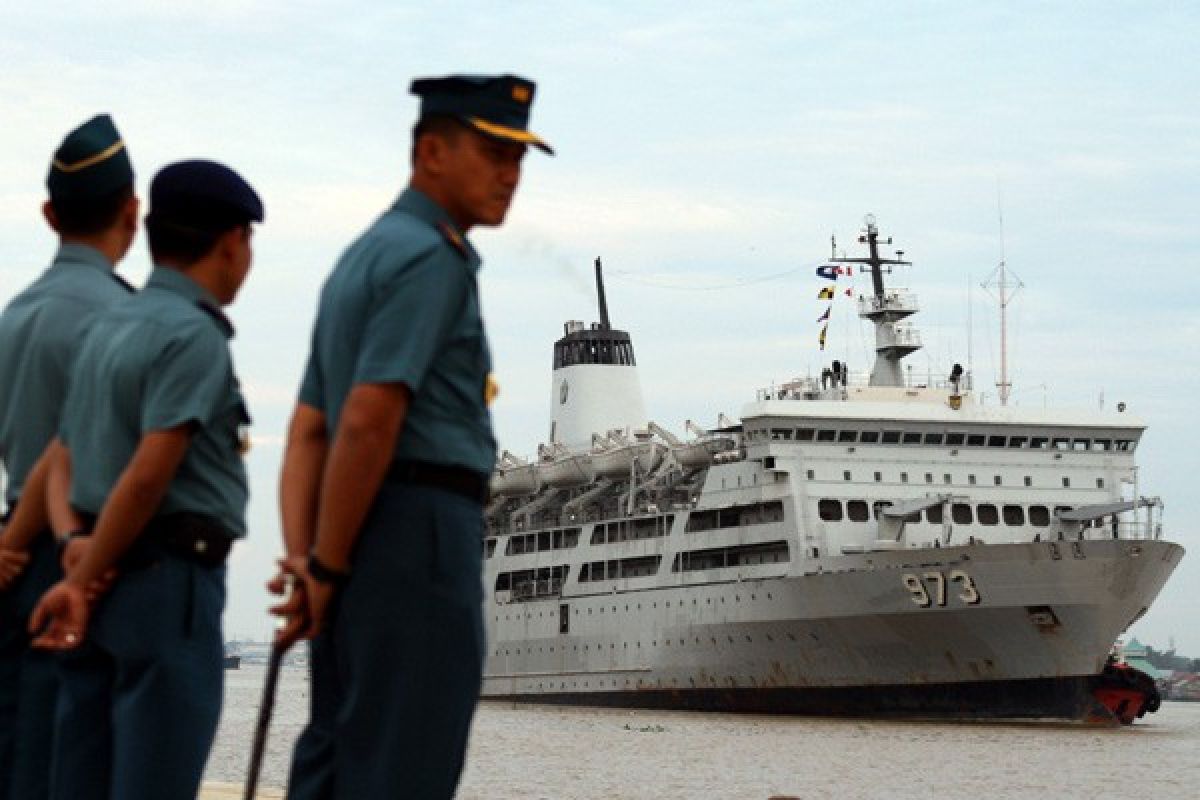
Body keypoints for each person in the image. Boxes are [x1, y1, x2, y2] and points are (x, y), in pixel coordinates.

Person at [273, 73, 552, 799]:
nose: (510, 173)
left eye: (519, 157)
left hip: (354, 535)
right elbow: (367, 418)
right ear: (431, 151)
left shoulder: (360, 257)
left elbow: (308, 431)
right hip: (417, 539)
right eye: (493, 152)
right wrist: (324, 567)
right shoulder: (432, 258)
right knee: (405, 767)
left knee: (338, 761)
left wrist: (311, 559)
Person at [28, 159, 263, 800]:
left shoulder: (106, 326)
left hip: (101, 581)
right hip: (168, 585)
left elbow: (62, 456)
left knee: (81, 777)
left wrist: (75, 544)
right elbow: (147, 477)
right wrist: (80, 576)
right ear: (232, 242)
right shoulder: (195, 339)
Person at [0, 114, 137, 800]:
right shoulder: (124, 320)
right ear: (133, 211)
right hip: (92, 566)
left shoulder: (13, 316)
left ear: (50, 213)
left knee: (20, 760)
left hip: (13, 560)